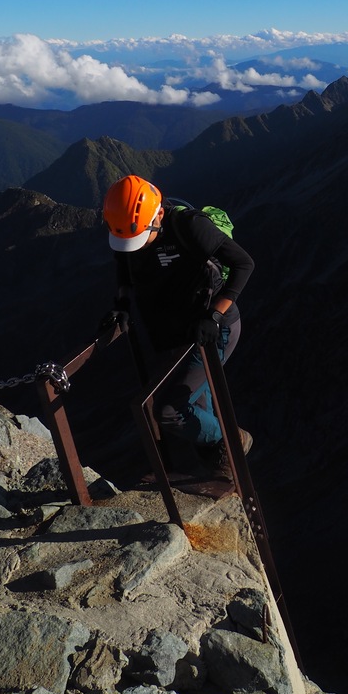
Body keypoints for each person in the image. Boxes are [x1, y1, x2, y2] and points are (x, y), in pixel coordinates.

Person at [100, 174, 255, 480]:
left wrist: (213, 315)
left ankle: (234, 443)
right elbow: (124, 265)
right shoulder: (128, 227)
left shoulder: (189, 226)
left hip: (212, 332)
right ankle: (223, 472)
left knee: (169, 411)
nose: (136, 245)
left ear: (157, 215)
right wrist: (121, 305)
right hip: (176, 335)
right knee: (198, 407)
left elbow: (243, 264)